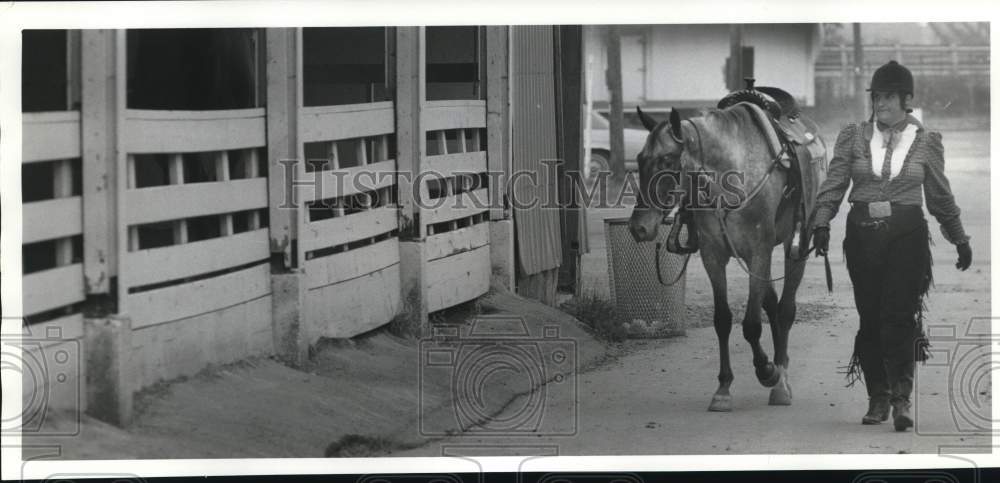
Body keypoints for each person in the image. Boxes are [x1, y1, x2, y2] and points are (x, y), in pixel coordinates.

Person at [811, 60, 973, 432]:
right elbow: (835, 183)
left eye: (888, 96)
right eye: (877, 96)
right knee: (870, 318)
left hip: (907, 237)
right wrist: (821, 222)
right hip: (862, 236)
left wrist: (959, 236)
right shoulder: (853, 136)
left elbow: (939, 194)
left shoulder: (926, 141)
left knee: (899, 316)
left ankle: (902, 399)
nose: (880, 102)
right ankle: (878, 397)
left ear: (906, 99)